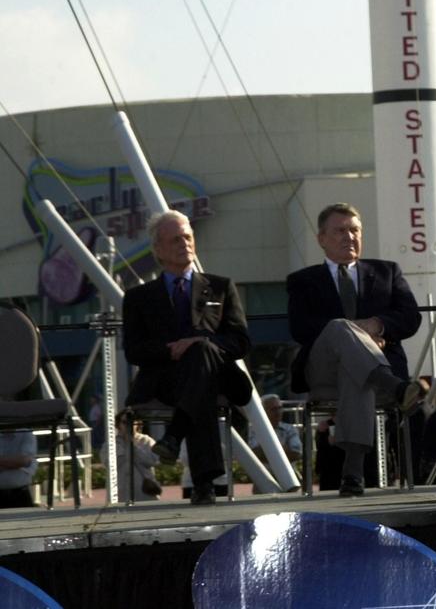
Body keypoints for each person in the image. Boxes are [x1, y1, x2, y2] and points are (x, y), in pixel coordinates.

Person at [286, 203, 424, 497]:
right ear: (322, 238)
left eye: (355, 230)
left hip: (365, 370)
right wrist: (356, 334)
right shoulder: (302, 281)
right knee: (339, 328)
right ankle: (396, 387)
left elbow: (411, 317)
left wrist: (377, 325)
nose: (349, 237)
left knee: (358, 373)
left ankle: (353, 471)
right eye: (340, 231)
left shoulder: (387, 271)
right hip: (323, 370)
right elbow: (300, 328)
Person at [122, 210, 253, 506]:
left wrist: (199, 341)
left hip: (219, 376)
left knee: (202, 355)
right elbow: (134, 350)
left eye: (188, 237)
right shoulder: (139, 298)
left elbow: (241, 342)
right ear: (158, 249)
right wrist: (171, 348)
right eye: (176, 239)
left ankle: (176, 439)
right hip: (165, 379)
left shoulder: (220, 287)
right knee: (199, 385)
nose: (185, 244)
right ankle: (204, 484)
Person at [101, 411, 163, 501]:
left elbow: (152, 461)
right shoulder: (110, 444)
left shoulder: (146, 441)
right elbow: (108, 463)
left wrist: (133, 445)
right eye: (125, 422)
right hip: (120, 492)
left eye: (132, 422)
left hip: (144, 492)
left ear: (137, 424)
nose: (128, 426)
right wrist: (124, 446)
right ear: (118, 424)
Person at [247, 394, 301, 493]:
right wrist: (282, 450)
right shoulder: (254, 430)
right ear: (263, 411)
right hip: (265, 477)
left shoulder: (290, 429)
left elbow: (296, 454)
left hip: (288, 477)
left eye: (280, 408)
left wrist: (267, 450)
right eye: (273, 409)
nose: (278, 412)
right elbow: (254, 455)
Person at [0, 430, 36, 508]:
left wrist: (19, 462)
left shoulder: (25, 433)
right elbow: (21, 461)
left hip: (20, 495)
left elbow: (24, 461)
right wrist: (14, 463)